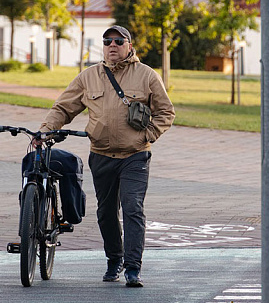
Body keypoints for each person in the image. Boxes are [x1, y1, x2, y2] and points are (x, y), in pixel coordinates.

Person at [37, 25, 175, 287]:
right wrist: (45, 130)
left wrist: (147, 135)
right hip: (101, 155)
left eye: (119, 41)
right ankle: (114, 259)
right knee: (106, 212)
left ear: (129, 46)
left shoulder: (146, 75)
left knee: (133, 208)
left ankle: (133, 268)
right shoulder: (88, 77)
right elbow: (63, 108)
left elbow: (166, 112)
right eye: (107, 41)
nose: (112, 45)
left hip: (135, 155)